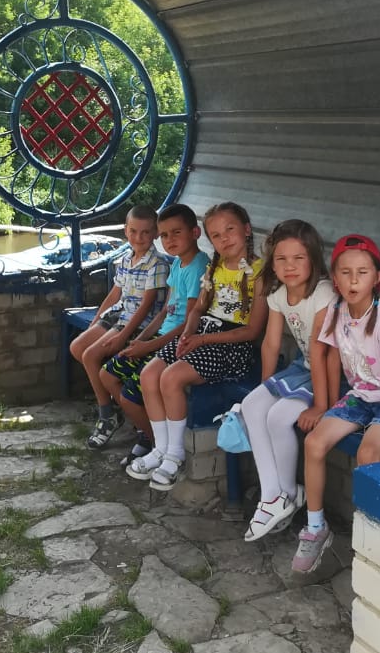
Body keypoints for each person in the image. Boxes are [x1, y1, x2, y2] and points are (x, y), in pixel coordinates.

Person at [291, 233, 380, 573]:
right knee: (314, 442)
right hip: (361, 396)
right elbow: (332, 357)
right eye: (346, 272)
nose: (353, 280)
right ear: (334, 279)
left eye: (362, 273)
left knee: (368, 453)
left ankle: (372, 537)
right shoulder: (337, 311)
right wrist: (328, 406)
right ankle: (316, 527)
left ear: (377, 277)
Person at [126, 201, 268, 490]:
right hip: (202, 334)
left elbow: (252, 330)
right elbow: (198, 309)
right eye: (216, 235)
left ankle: (176, 454)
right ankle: (161, 448)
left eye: (230, 230)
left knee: (171, 378)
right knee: (149, 374)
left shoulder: (259, 273)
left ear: (247, 229)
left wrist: (201, 339)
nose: (224, 238)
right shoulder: (214, 268)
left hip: (231, 345)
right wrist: (189, 334)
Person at [239, 219, 336, 542]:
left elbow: (322, 353)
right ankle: (273, 494)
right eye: (281, 259)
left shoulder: (323, 293)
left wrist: (321, 405)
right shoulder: (279, 294)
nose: (289, 266)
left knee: (279, 417)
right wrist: (266, 386)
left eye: (298, 258)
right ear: (272, 263)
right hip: (304, 368)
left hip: (332, 375)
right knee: (252, 405)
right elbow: (270, 343)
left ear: (313, 259)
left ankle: (288, 494)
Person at [100, 204, 209, 467]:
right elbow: (164, 312)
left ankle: (155, 443)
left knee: (128, 394)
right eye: (165, 235)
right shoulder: (178, 264)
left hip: (177, 342)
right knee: (107, 375)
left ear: (195, 232)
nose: (169, 240)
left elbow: (189, 323)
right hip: (159, 337)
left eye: (176, 233)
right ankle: (148, 432)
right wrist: (141, 341)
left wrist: (149, 347)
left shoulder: (198, 267)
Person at [70, 205, 169, 449]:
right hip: (119, 314)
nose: (139, 237)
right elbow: (115, 294)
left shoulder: (157, 264)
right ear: (125, 230)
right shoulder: (125, 258)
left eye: (146, 232)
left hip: (137, 323)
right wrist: (95, 321)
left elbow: (146, 306)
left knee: (90, 355)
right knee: (77, 347)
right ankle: (114, 401)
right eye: (133, 231)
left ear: (156, 233)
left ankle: (108, 415)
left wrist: (123, 335)